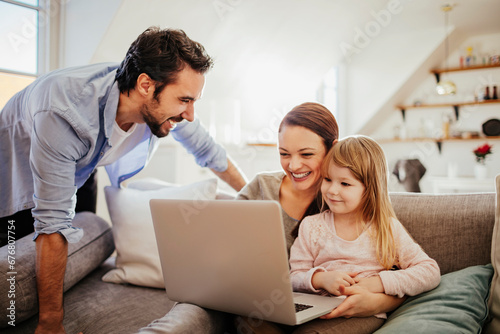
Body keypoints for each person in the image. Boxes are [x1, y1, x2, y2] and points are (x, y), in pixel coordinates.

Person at [0, 26, 247, 334]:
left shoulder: (159, 104)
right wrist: (51, 323)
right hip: (12, 189)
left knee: (76, 254)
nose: (191, 114)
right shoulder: (63, 111)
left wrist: (259, 198)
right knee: (11, 290)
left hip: (79, 171)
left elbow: (210, 153)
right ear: (145, 84)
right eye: (185, 100)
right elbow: (52, 224)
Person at [137, 103, 406, 334]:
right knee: (187, 319)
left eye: (307, 154)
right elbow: (218, 237)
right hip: (245, 302)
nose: (294, 165)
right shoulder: (261, 187)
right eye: (284, 154)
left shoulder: (347, 199)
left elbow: (395, 274)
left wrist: (378, 303)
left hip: (315, 309)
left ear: (332, 148)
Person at [289, 135, 441, 333]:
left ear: (369, 190)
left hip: (361, 314)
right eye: (327, 179)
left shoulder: (385, 228)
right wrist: (320, 279)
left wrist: (379, 283)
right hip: (314, 309)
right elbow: (293, 277)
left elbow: (430, 271)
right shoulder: (311, 226)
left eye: (345, 184)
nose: (332, 190)